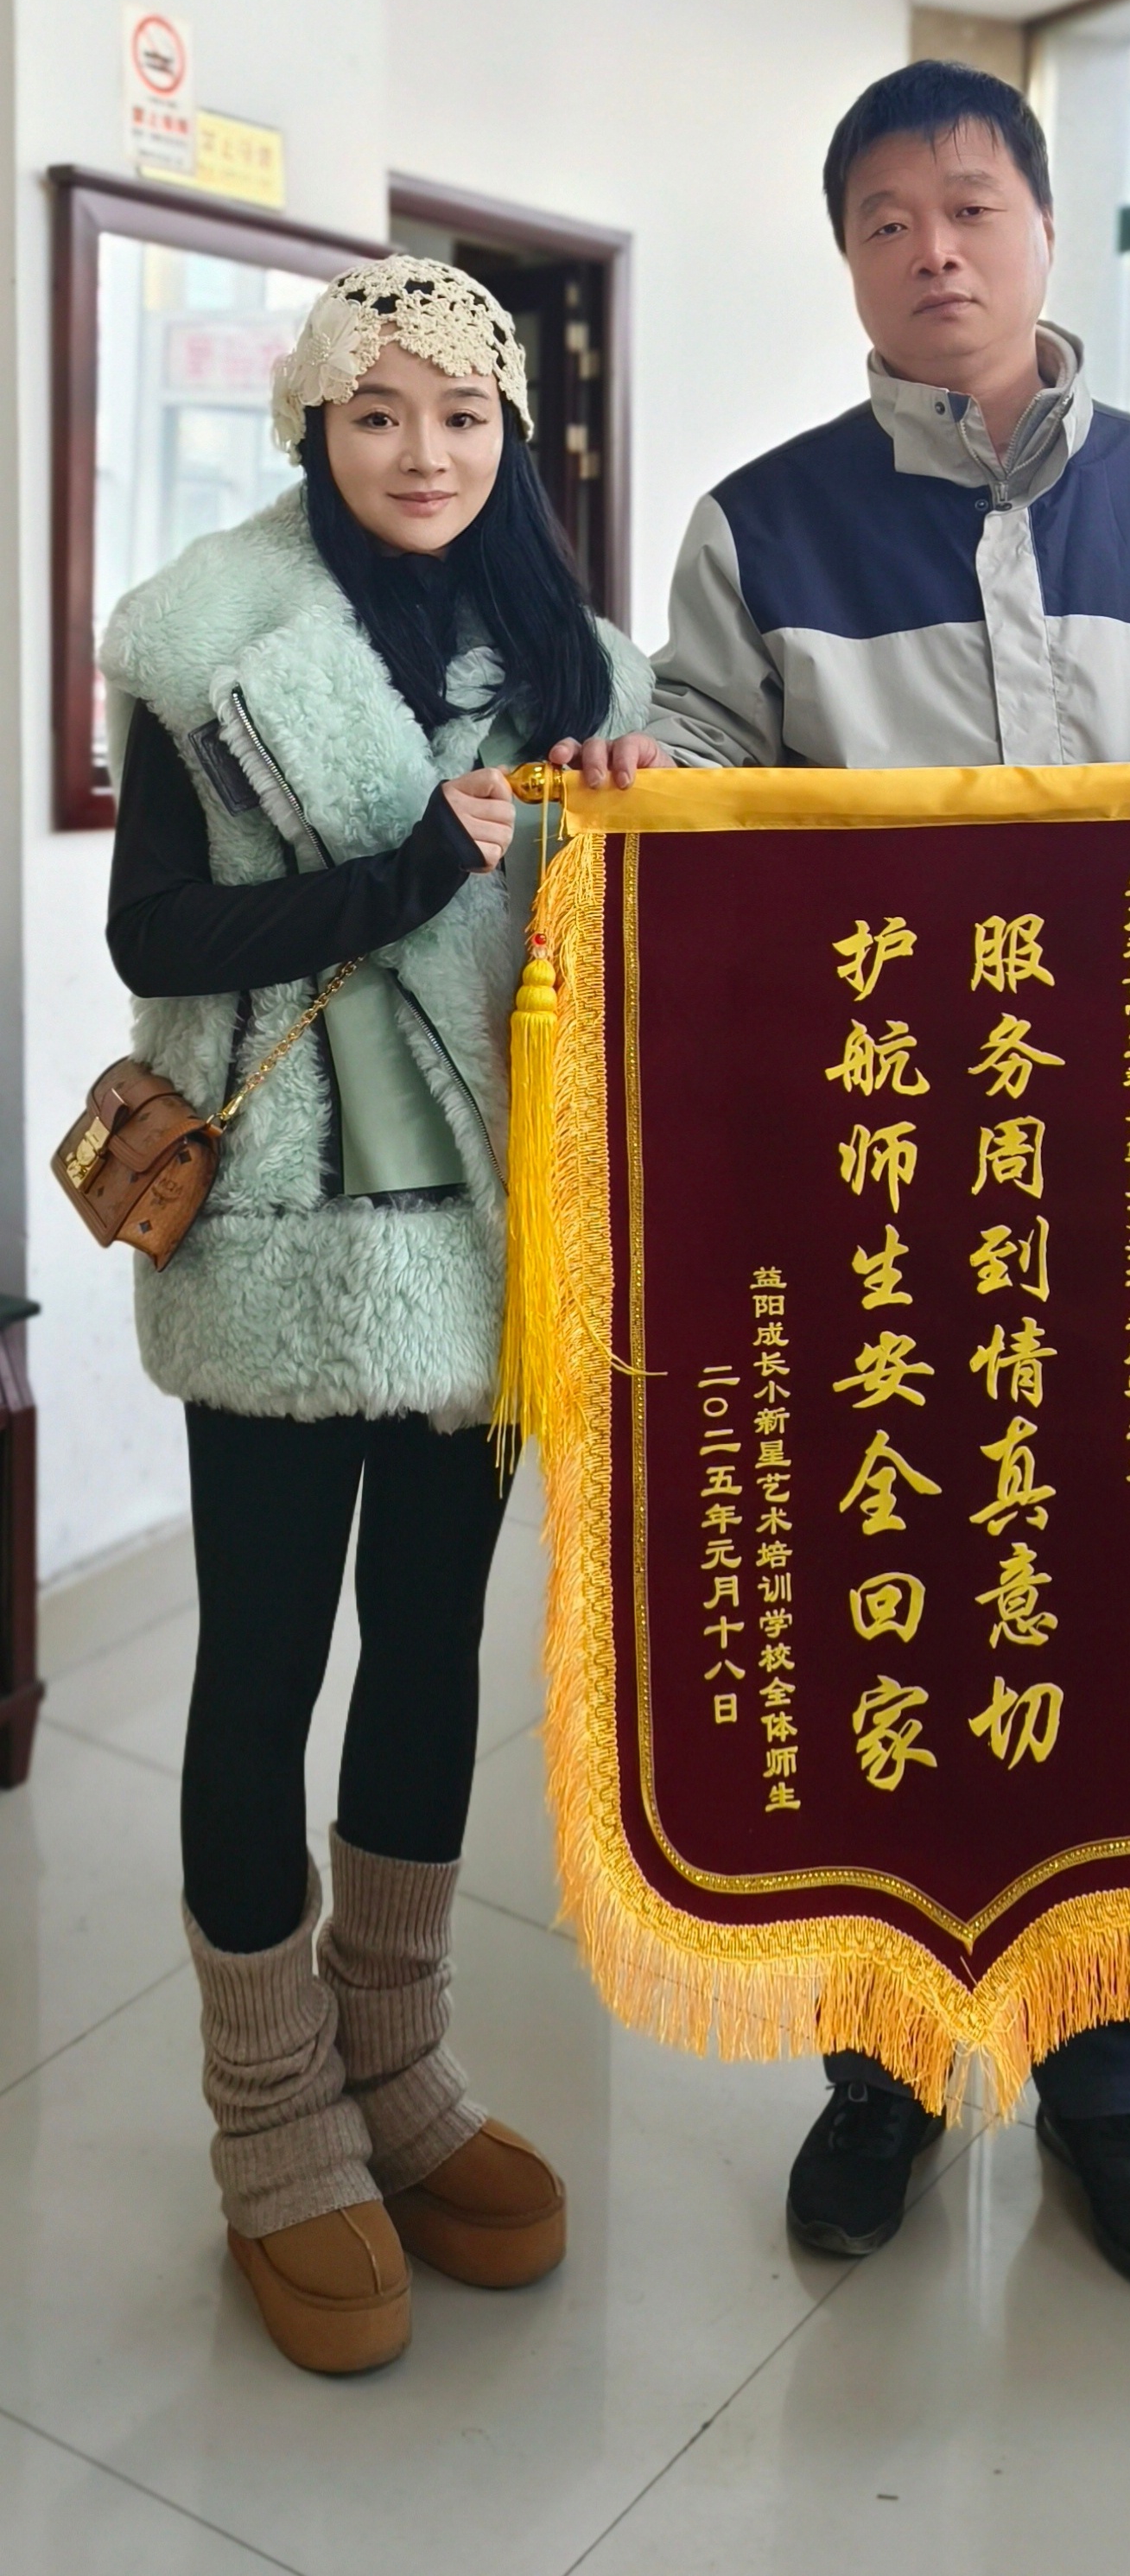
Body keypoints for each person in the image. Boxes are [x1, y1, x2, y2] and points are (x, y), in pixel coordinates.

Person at [551, 60, 1130, 2290]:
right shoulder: (762, 526)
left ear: (1042, 224)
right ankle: (881, 2073)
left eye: (967, 205)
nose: (930, 249)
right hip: (864, 1201)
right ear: (847, 260)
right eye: (881, 219)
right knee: (885, 1592)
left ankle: (1106, 2086)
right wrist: (647, 772)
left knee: (1116, 1600)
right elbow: (702, 772)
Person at [101, 256, 651, 2374]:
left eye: (461, 414)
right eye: (376, 413)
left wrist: (632, 811)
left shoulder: (575, 659)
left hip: (489, 1240)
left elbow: (618, 941)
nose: (424, 451)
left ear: (512, 434)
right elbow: (158, 928)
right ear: (314, 430)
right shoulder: (208, 641)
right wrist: (413, 865)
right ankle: (271, 2115)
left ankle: (395, 2066)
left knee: (432, 1649)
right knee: (262, 1664)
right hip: (281, 1237)